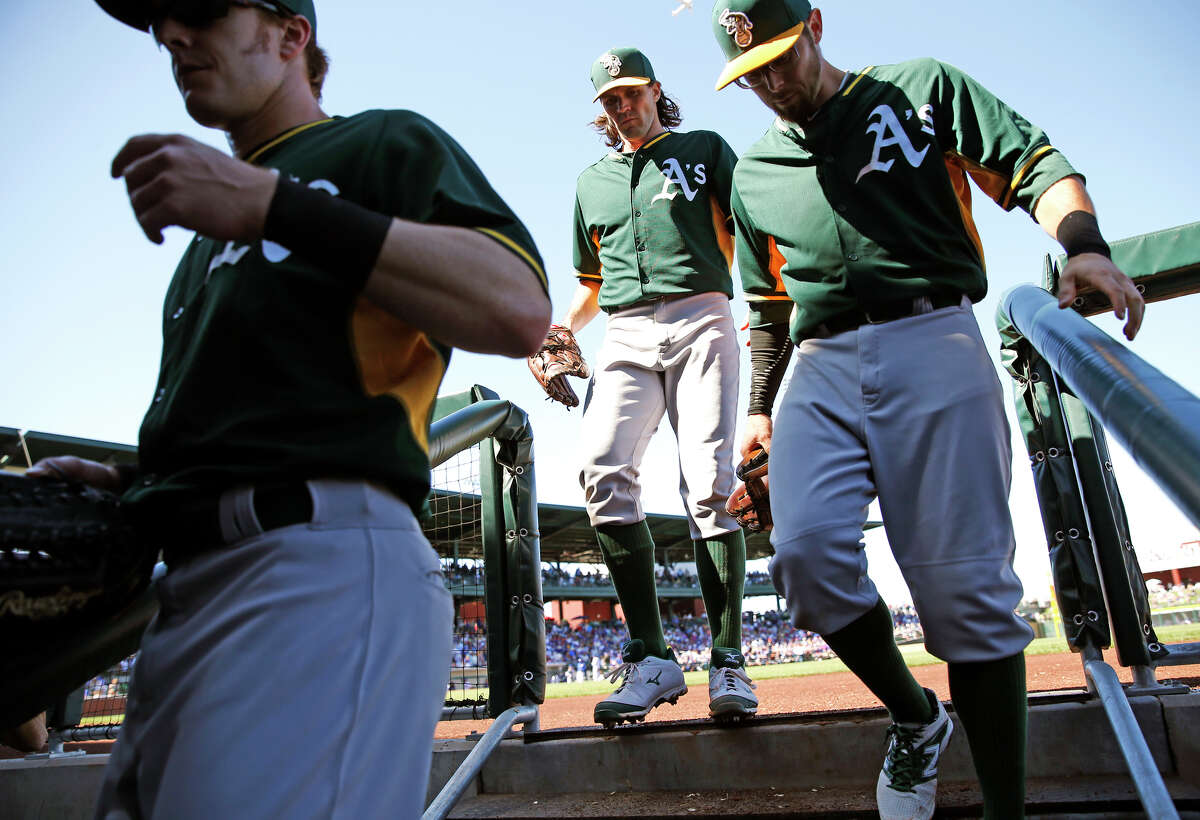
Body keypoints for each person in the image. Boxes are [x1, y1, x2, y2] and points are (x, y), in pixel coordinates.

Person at [26, 1, 549, 817]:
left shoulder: (378, 143)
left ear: (291, 35)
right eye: (163, 21)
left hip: (318, 570)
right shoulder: (208, 234)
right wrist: (131, 482)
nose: (172, 35)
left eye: (200, 10)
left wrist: (273, 207)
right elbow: (271, 412)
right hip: (190, 591)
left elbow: (517, 309)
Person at [709, 1, 1144, 818]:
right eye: (749, 71)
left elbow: (1033, 162)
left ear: (816, 26)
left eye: (777, 55)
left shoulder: (917, 88)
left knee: (965, 595)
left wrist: (1084, 244)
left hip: (934, 335)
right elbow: (766, 311)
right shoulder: (753, 171)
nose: (769, 81)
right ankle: (916, 717)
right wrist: (760, 412)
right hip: (819, 363)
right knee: (803, 560)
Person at [547, 47, 757, 727]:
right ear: (601, 111)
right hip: (626, 330)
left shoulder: (703, 147)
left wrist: (759, 303)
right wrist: (561, 328)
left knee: (707, 482)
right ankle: (653, 657)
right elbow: (592, 284)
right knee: (602, 471)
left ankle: (727, 657)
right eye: (610, 99)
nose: (622, 106)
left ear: (656, 91)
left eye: (631, 93)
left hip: (703, 314)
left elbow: (752, 234)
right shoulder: (591, 182)